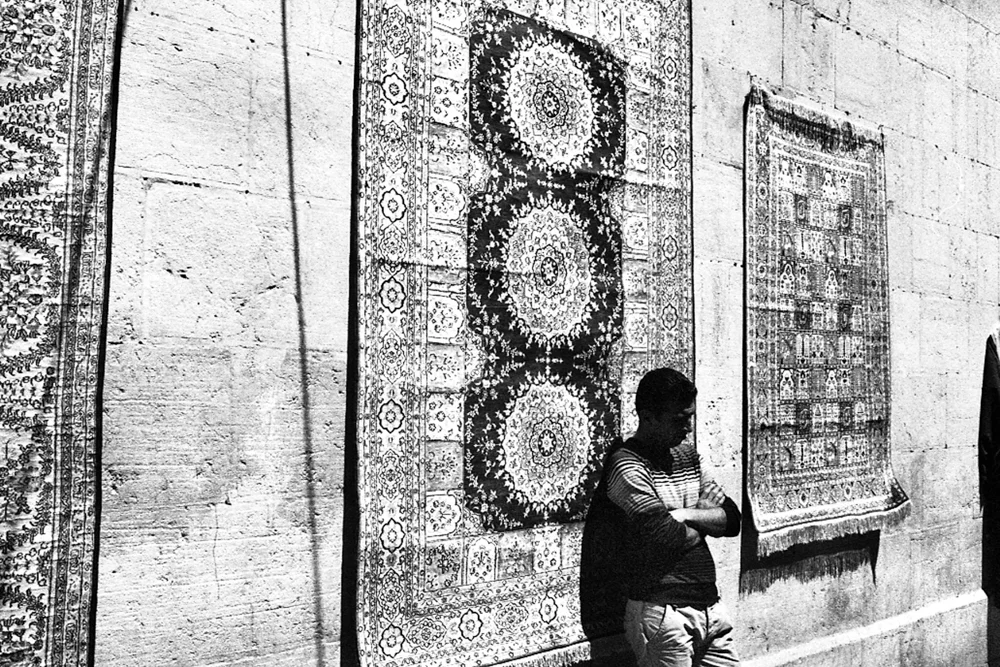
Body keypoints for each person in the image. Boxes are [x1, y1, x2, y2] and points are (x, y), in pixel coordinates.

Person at [605, 367, 741, 667]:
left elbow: (732, 520)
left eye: (690, 417)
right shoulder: (627, 465)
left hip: (709, 607)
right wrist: (705, 515)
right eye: (679, 420)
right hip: (663, 611)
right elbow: (665, 537)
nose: (688, 428)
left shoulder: (687, 456)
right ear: (648, 416)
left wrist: (683, 514)